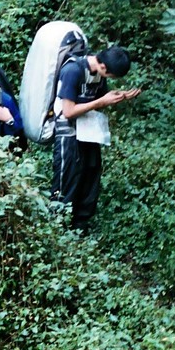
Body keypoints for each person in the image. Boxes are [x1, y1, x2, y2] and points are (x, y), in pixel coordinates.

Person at [51, 45, 140, 232]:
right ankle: (58, 229)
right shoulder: (72, 70)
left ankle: (80, 228)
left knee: (90, 179)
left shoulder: (99, 73)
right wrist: (101, 101)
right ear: (104, 67)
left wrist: (120, 97)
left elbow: (98, 103)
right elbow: (68, 111)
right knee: (67, 181)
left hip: (88, 132)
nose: (111, 79)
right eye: (112, 76)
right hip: (68, 134)